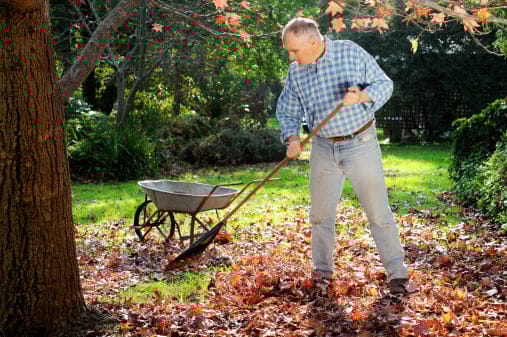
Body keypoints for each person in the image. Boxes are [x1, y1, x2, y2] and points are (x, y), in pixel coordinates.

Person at [275, 17, 411, 295]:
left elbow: (384, 84)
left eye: (295, 50)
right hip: (323, 147)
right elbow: (287, 110)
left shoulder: (349, 52)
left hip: (360, 142)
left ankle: (397, 274)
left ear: (313, 42)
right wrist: (291, 137)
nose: (291, 56)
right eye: (288, 51)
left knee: (377, 211)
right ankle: (322, 272)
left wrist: (362, 96)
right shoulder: (296, 72)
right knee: (320, 215)